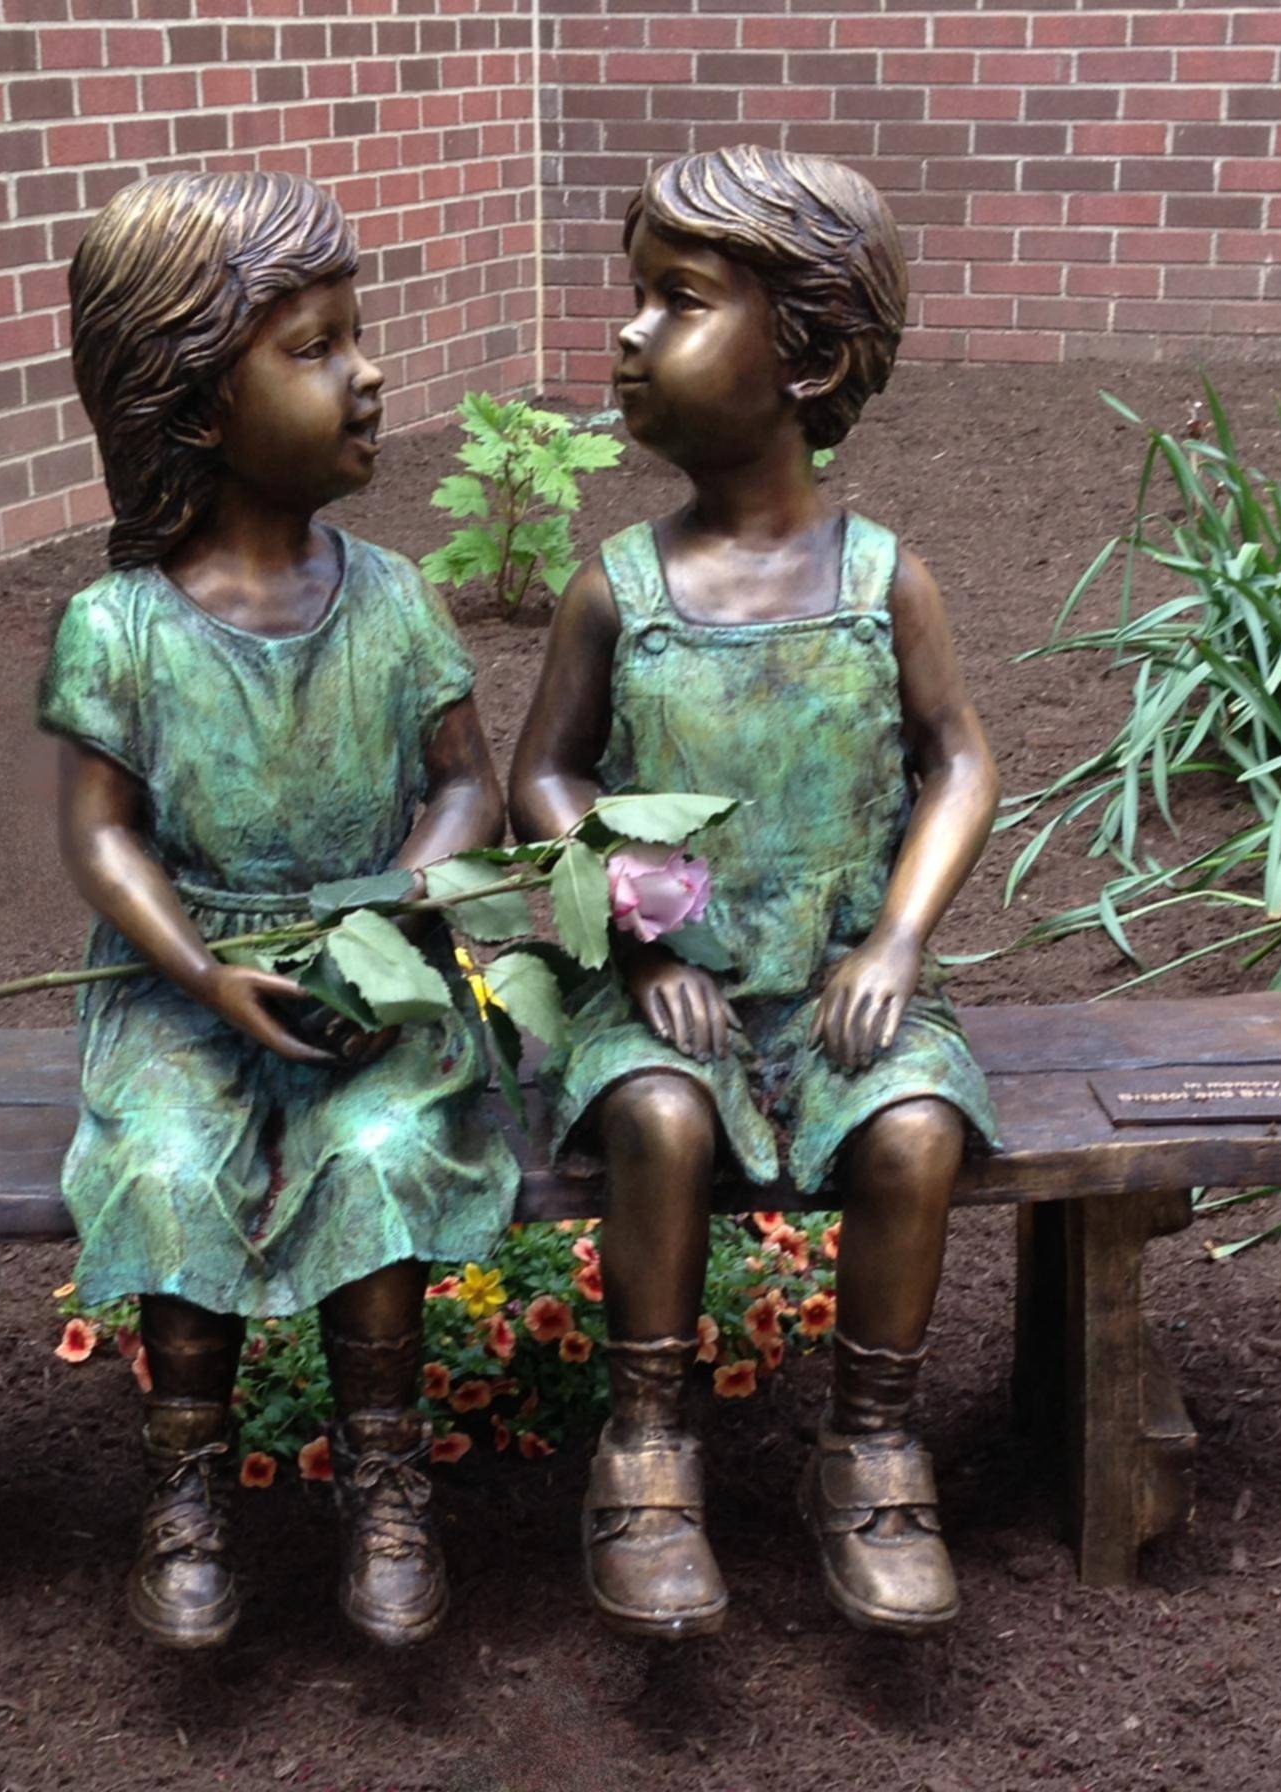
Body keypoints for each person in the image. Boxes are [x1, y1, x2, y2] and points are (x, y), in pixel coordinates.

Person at [509, 146, 1001, 1641]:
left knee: (915, 1131)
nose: (629, 335)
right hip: (675, 994)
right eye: (636, 299)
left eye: (677, 302)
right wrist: (643, 927)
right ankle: (647, 1450)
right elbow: (548, 777)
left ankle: (871, 1448)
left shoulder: (882, 580)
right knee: (658, 1121)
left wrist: (902, 938)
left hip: (841, 979)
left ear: (808, 358)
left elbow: (960, 760)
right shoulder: (621, 588)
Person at [39, 171, 519, 1651]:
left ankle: (384, 1478)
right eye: (315, 347)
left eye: (356, 335)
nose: (369, 372)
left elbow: (467, 786)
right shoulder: (119, 628)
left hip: (363, 978)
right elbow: (104, 838)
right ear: (191, 403)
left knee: (375, 1150)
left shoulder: (389, 596)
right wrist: (205, 970)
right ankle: (185, 1487)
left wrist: (407, 897)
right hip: (184, 984)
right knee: (171, 1162)